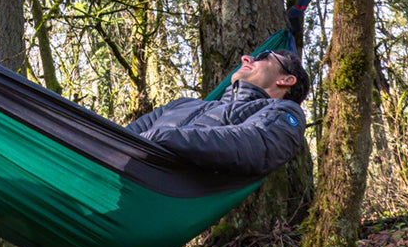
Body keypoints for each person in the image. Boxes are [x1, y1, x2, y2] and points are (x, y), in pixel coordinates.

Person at [122, 49, 310, 176]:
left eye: (263, 56)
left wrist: (161, 137)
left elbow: (255, 143)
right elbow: (118, 138)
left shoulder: (285, 112)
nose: (246, 58)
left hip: (161, 192)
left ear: (286, 80)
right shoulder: (182, 104)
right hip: (119, 178)